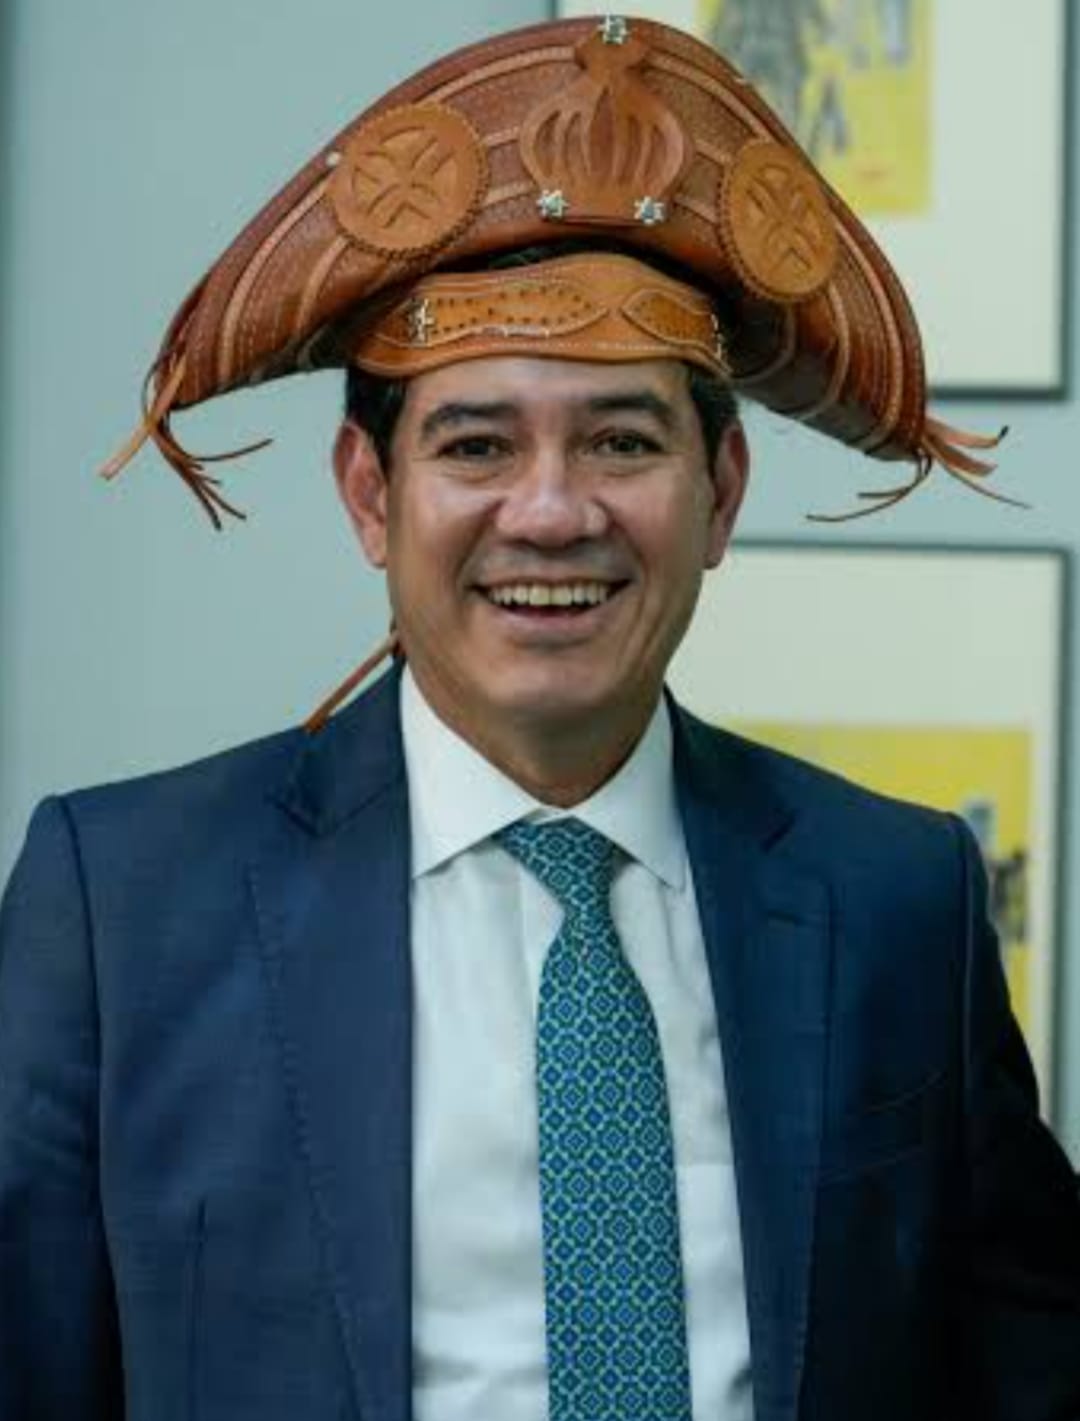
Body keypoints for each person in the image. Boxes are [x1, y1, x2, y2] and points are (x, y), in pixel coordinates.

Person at [1, 14, 1078, 1421]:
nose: (554, 511)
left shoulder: (896, 898)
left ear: (722, 493)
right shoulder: (125, 905)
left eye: (623, 440)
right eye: (477, 445)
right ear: (371, 496)